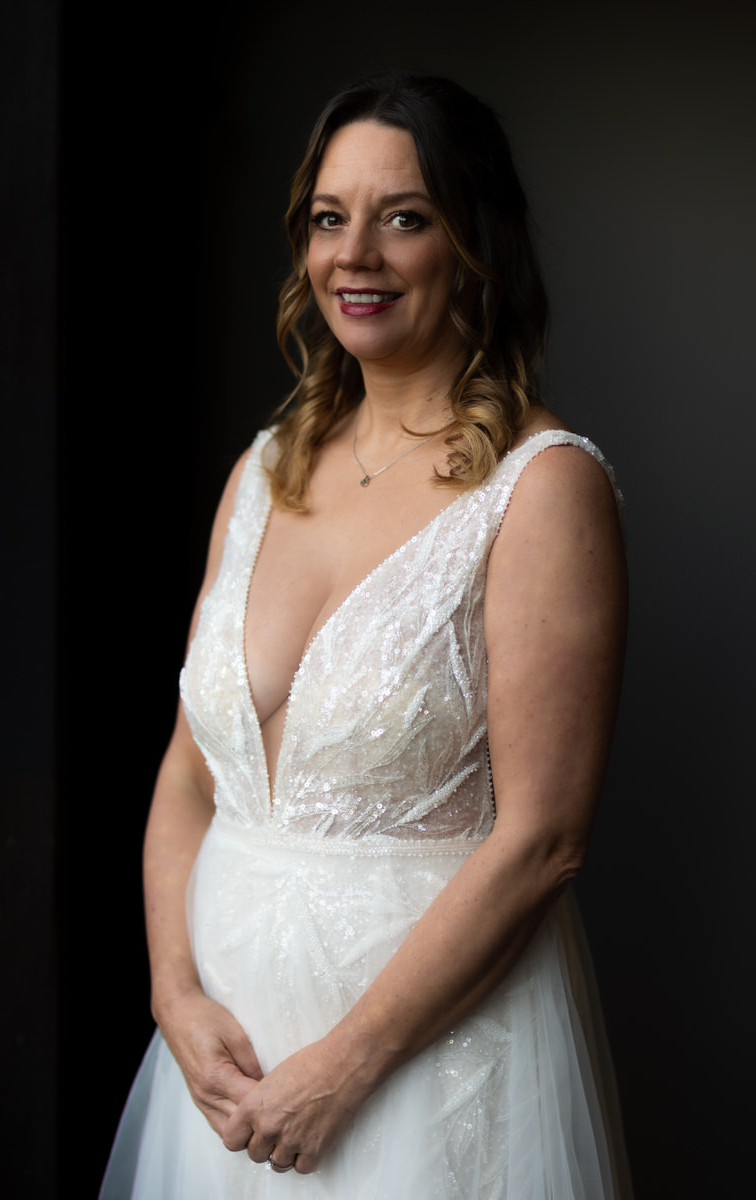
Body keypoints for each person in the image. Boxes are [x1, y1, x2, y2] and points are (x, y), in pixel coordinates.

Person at [100, 72, 633, 1199]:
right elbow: (190, 775)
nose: (356, 255)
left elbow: (542, 839)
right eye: (328, 218)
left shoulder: (540, 490)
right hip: (223, 1064)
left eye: (404, 216)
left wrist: (343, 1069)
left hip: (421, 1073)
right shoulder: (259, 474)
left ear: (474, 242)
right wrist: (173, 997)